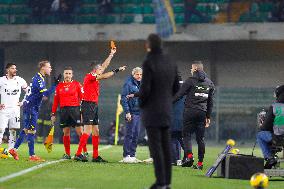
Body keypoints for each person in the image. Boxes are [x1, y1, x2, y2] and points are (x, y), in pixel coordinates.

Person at [139, 34, 179, 189]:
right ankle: (167, 182)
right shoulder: (171, 60)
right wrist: (166, 100)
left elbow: (145, 88)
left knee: (155, 148)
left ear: (148, 45)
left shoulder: (149, 61)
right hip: (167, 110)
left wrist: (142, 103)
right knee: (166, 146)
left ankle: (160, 182)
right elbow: (176, 87)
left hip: (152, 112)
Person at [74, 47, 126, 162]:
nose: (102, 69)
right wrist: (116, 70)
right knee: (87, 130)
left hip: (93, 105)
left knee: (96, 131)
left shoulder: (94, 75)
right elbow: (105, 75)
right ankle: (78, 153)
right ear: (95, 70)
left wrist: (111, 54)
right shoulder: (90, 76)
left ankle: (95, 156)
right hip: (88, 105)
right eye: (100, 69)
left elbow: (105, 65)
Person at [9, 60, 61, 161]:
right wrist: (55, 85)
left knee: (26, 129)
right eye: (49, 67)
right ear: (43, 68)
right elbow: (45, 94)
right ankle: (32, 155)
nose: (50, 69)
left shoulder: (39, 78)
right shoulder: (38, 79)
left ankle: (14, 149)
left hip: (31, 106)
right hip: (31, 107)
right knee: (32, 131)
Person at [173, 61, 214, 170]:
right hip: (202, 113)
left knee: (186, 135)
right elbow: (210, 102)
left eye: (191, 68)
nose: (190, 70)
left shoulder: (190, 81)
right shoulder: (209, 83)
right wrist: (208, 117)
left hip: (190, 111)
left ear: (195, 69)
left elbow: (180, 94)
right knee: (200, 139)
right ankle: (200, 164)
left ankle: (189, 156)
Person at [51, 66, 87, 159]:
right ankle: (67, 154)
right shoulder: (59, 86)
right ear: (63, 74)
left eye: (69, 73)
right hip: (63, 111)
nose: (67, 75)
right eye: (66, 73)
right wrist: (53, 114)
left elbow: (82, 99)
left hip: (75, 110)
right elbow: (56, 101)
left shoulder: (77, 84)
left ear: (72, 75)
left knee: (80, 132)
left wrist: (83, 112)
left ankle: (84, 152)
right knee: (66, 132)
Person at [0, 63, 28, 150]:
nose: (15, 70)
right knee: (1, 130)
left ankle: (11, 150)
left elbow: (29, 91)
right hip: (4, 110)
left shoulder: (20, 80)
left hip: (15, 110)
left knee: (13, 131)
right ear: (7, 70)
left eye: (15, 68)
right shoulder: (1, 80)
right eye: (12, 68)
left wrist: (23, 102)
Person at [257, 85, 284, 169]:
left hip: (278, 138)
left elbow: (265, 127)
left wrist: (261, 124)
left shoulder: (275, 107)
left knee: (260, 135)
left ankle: (270, 158)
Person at [120, 67, 143, 163]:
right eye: (137, 74)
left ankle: (132, 155)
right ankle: (126, 156)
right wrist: (127, 112)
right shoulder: (128, 84)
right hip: (132, 113)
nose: (139, 76)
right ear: (133, 74)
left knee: (136, 135)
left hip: (139, 113)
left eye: (141, 74)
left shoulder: (141, 84)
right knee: (129, 134)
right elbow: (124, 99)